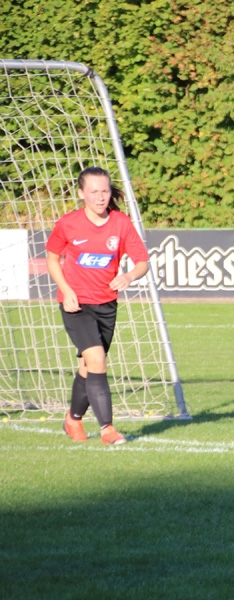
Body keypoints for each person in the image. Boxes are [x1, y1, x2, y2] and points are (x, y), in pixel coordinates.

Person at [46, 167, 151, 445]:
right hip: (76, 305)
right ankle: (108, 430)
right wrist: (66, 290)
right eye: (93, 192)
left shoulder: (121, 223)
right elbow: (52, 259)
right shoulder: (68, 223)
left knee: (88, 366)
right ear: (81, 193)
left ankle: (73, 419)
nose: (100, 197)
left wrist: (129, 276)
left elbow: (142, 262)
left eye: (105, 191)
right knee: (97, 360)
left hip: (107, 305)